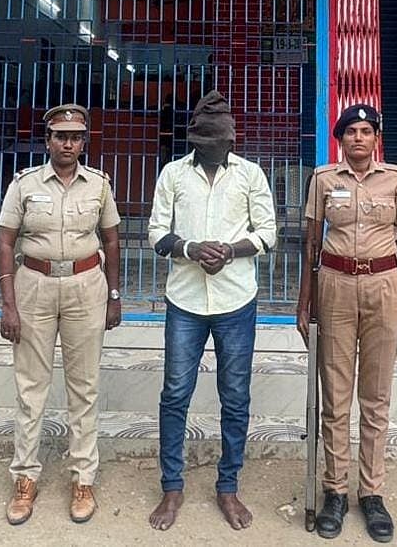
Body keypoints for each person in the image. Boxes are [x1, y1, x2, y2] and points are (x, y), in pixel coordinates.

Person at [147, 91, 277, 532]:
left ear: (231, 141)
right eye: (203, 143)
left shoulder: (251, 175)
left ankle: (228, 486)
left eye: (218, 143)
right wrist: (190, 248)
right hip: (184, 300)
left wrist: (230, 250)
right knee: (175, 394)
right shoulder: (172, 174)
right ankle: (172, 487)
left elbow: (268, 233)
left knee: (235, 396)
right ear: (194, 141)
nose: (211, 149)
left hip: (236, 299)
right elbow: (156, 233)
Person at [296, 104, 397, 544]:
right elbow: (310, 245)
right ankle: (334, 491)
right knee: (335, 395)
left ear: (376, 138)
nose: (359, 138)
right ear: (341, 139)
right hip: (335, 286)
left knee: (376, 397)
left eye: (366, 131)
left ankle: (371, 493)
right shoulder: (323, 179)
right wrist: (304, 303)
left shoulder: (396, 180)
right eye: (351, 132)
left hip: (385, 286)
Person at [0, 104, 122, 526]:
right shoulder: (24, 184)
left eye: (76, 137)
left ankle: (83, 478)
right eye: (60, 136)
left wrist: (114, 295)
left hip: (86, 286)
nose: (68, 144)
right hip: (34, 286)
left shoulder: (99, 185)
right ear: (47, 140)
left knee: (84, 387)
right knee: (31, 388)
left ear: (84, 142)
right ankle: (24, 477)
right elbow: (5, 241)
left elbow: (112, 239)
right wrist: (8, 302)